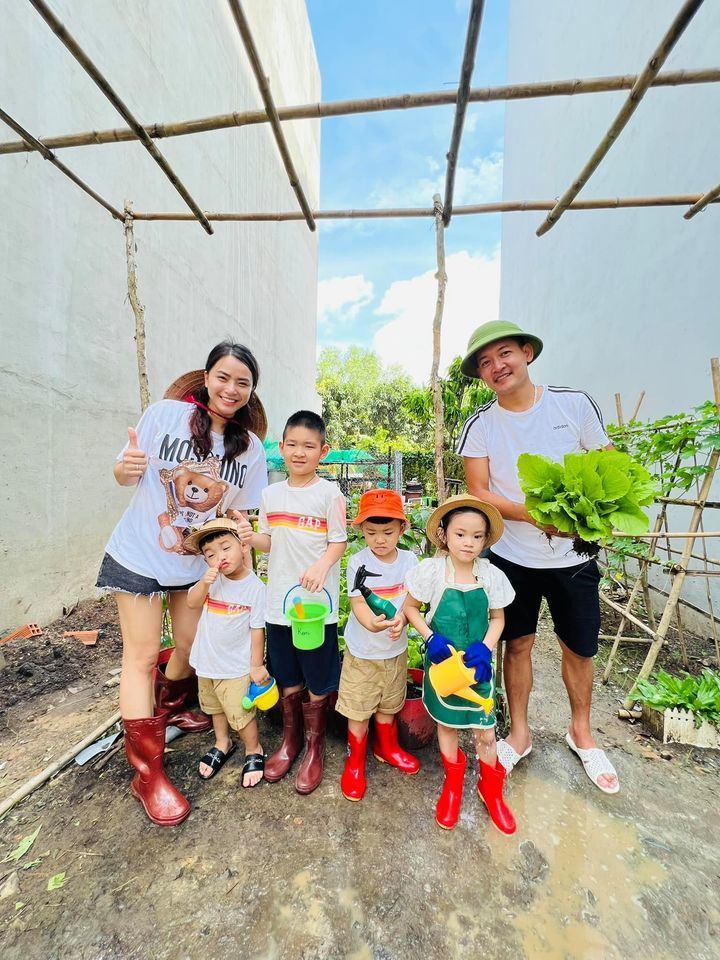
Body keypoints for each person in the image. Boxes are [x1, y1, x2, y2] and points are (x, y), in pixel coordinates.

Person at [97, 341, 268, 825]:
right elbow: (124, 472)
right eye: (223, 377)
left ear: (251, 391)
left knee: (192, 648)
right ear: (206, 377)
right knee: (144, 654)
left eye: (242, 382)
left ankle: (167, 709)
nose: (231, 389)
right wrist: (123, 468)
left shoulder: (250, 448)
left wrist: (240, 530)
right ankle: (147, 773)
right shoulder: (164, 415)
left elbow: (238, 509)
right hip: (139, 554)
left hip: (195, 564)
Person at [457, 320, 620, 794]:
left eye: (504, 354)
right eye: (485, 363)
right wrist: (532, 515)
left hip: (574, 556)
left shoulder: (573, 404)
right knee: (519, 644)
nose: (496, 367)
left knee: (579, 647)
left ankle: (581, 732)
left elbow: (606, 462)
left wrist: (585, 515)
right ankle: (520, 732)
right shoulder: (481, 424)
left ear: (527, 353)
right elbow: (479, 491)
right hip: (512, 557)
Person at [241, 411, 347, 794]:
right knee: (286, 672)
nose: (299, 452)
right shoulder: (270, 495)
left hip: (318, 606)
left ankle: (314, 747)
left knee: (318, 676)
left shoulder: (330, 495)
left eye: (309, 446)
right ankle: (291, 741)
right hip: (279, 604)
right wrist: (250, 538)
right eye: (292, 445)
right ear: (281, 448)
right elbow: (270, 541)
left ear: (323, 451)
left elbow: (338, 541)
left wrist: (321, 566)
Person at [404, 496, 517, 833]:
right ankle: (452, 786)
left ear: (485, 540)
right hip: (444, 667)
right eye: (461, 534)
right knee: (448, 724)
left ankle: (490, 790)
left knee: (485, 730)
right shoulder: (431, 572)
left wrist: (486, 648)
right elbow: (411, 609)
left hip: (478, 665)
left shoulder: (492, 575)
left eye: (478, 536)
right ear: (444, 535)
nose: (469, 543)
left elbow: (497, 618)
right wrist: (430, 638)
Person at [336, 489, 420, 802]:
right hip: (363, 655)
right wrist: (369, 622)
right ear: (361, 531)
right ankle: (355, 760)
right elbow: (358, 603)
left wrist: (404, 619)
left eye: (387, 532)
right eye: (371, 533)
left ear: (402, 528)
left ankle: (386, 747)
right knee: (358, 710)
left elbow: (413, 598)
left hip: (395, 653)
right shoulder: (357, 561)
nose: (380, 540)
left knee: (389, 705)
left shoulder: (410, 560)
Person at [185, 518, 270, 787]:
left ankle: (253, 749)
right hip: (207, 662)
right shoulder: (213, 582)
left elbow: (258, 630)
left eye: (225, 548)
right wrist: (204, 583)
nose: (219, 558)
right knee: (214, 708)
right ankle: (222, 743)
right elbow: (191, 602)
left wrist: (256, 665)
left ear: (243, 546)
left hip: (235, 667)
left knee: (240, 713)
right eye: (210, 555)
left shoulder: (255, 589)